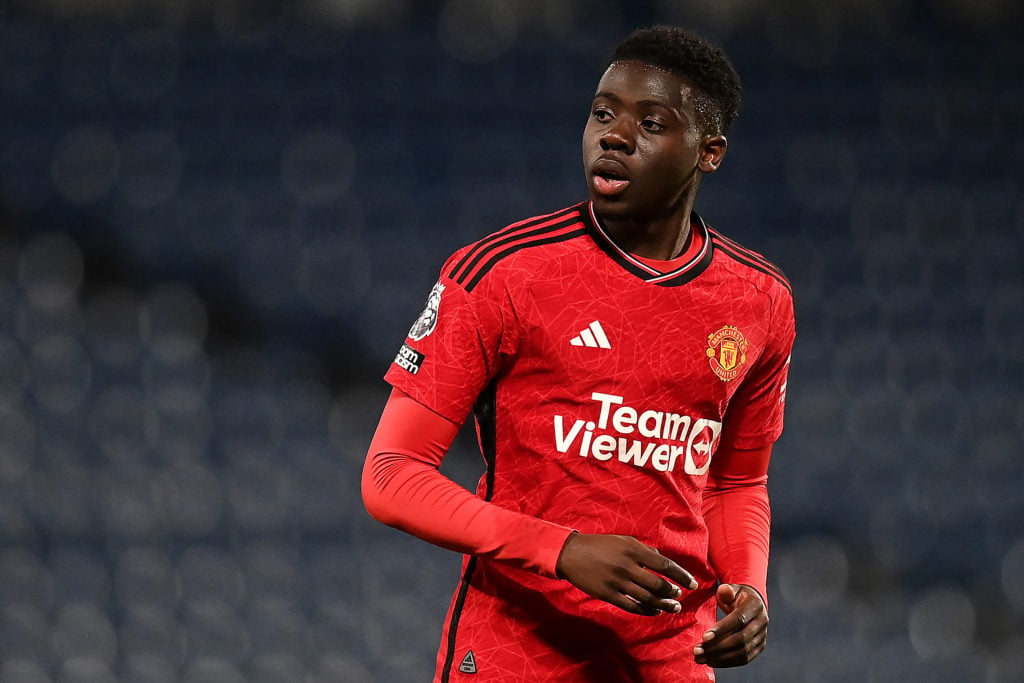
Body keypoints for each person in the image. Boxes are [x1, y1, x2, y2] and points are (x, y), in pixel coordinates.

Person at [362, 25, 795, 682]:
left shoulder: (759, 299)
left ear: (709, 152)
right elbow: (390, 475)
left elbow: (737, 481)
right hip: (522, 644)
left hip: (671, 648)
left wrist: (749, 584)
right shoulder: (503, 274)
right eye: (602, 113)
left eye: (651, 122)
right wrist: (559, 548)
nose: (613, 136)